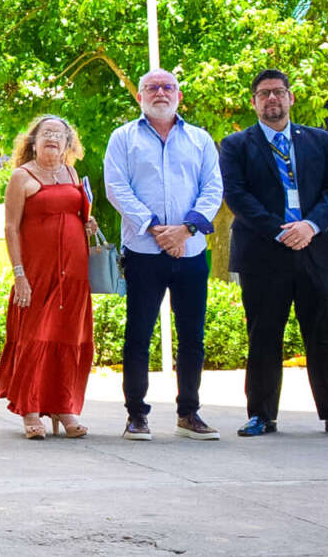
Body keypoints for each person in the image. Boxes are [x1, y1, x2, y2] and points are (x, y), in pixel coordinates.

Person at [222, 70, 328, 439]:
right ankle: (261, 415)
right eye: (263, 94)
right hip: (264, 253)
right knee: (263, 335)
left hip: (314, 250)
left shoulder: (319, 140)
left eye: (278, 92)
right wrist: (280, 229)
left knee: (322, 334)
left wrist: (310, 226)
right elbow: (237, 195)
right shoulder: (236, 144)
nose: (272, 99)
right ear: (254, 102)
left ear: (291, 98)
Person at [104, 69, 224, 442]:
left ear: (179, 95)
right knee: (138, 335)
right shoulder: (123, 138)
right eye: (151, 87)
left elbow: (213, 188)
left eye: (167, 87)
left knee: (192, 336)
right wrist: (155, 227)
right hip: (143, 251)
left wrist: (185, 230)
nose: (160, 92)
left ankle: (189, 413)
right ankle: (136, 415)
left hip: (190, 250)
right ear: (139, 96)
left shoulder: (200, 139)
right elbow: (116, 187)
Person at [0, 115, 94, 440]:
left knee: (68, 337)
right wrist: (19, 274)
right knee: (34, 337)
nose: (53, 138)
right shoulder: (21, 177)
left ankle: (64, 407)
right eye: (46, 133)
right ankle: (31, 409)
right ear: (33, 141)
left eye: (60, 134)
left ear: (68, 144)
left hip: (74, 274)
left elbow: (76, 217)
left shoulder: (71, 173)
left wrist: (87, 227)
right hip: (38, 273)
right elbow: (11, 228)